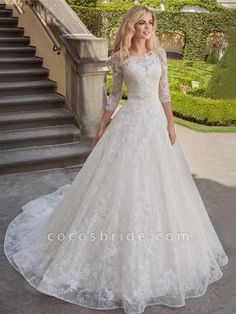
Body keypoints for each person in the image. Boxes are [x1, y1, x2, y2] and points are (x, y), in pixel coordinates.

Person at [4, 5, 228, 314]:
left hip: (154, 124)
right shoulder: (119, 57)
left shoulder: (160, 55)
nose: (147, 27)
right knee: (119, 185)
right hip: (130, 122)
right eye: (141, 22)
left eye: (150, 22)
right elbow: (114, 95)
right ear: (132, 26)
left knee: (162, 188)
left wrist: (171, 123)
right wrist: (101, 124)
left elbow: (164, 93)